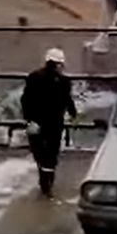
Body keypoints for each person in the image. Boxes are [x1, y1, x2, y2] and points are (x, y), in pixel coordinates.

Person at [21, 48, 78, 197]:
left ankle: (44, 177)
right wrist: (73, 114)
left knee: (39, 151)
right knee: (51, 153)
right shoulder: (64, 82)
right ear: (58, 64)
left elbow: (26, 100)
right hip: (54, 122)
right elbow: (67, 100)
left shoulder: (33, 77)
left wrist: (28, 119)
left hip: (37, 121)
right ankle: (47, 181)